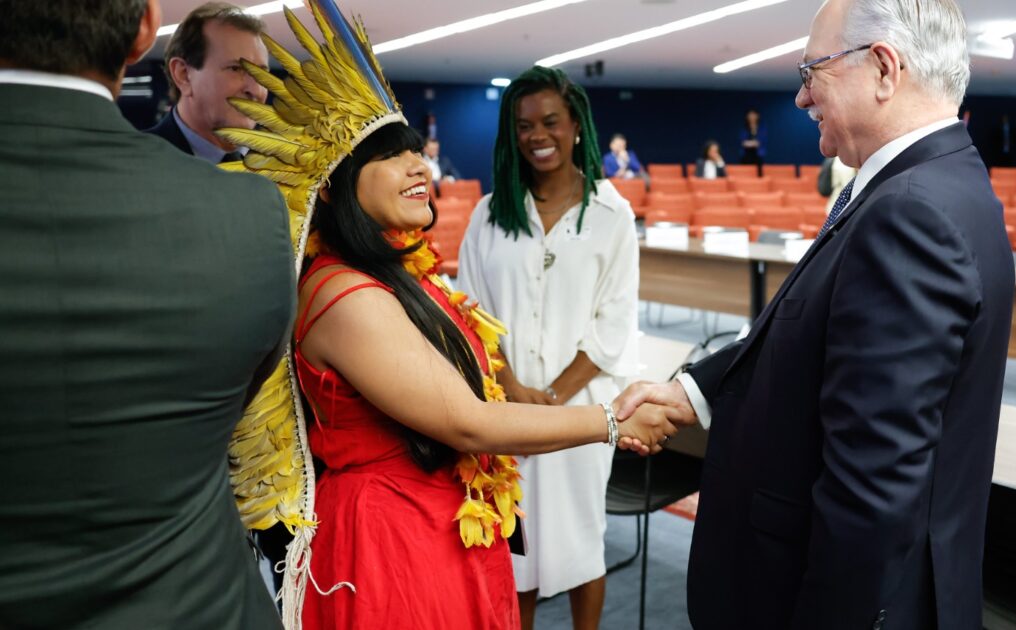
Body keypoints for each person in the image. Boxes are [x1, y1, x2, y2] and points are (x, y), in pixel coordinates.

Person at [216, 6, 675, 629]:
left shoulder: (392, 274)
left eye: (415, 153)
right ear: (331, 184)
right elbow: (467, 421)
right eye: (392, 158)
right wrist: (612, 421)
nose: (419, 168)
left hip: (437, 516)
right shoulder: (343, 295)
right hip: (388, 542)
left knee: (575, 548)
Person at [615, 0, 1015, 628]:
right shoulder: (937, 183)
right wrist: (697, 390)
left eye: (813, 71)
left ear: (884, 69)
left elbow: (872, 490)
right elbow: (819, 332)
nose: (801, 98)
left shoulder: (909, 212)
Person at [0, 1, 294, 628]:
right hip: (195, 600)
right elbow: (236, 386)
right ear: (145, 32)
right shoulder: (250, 215)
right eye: (238, 68)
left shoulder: (275, 191)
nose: (255, 87)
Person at [459, 66, 639, 630]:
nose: (538, 135)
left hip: (582, 410)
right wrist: (513, 389)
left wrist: (555, 397)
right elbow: (471, 311)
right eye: (524, 125)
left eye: (551, 121)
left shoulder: (611, 214)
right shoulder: (489, 216)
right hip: (504, 412)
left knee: (583, 538)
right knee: (519, 548)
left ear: (577, 126)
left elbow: (613, 322)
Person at [144, 2, 268, 163]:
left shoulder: (280, 168)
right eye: (236, 69)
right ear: (184, 75)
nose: (256, 90)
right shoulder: (135, 164)